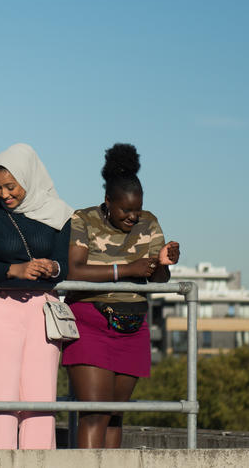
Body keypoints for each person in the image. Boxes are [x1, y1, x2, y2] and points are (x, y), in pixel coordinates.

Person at [63, 143, 180, 448]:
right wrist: (128, 269)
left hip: (133, 326)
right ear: (107, 202)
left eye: (137, 210)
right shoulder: (84, 219)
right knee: (95, 414)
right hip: (90, 323)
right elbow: (74, 271)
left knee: (116, 415)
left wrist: (163, 264)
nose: (132, 217)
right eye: (125, 210)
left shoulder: (149, 222)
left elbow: (157, 278)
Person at [0, 143, 73, 450]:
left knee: (40, 402)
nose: (4, 194)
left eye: (11, 186)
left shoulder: (62, 214)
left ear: (29, 180)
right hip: (0, 306)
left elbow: (67, 266)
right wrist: (17, 270)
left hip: (45, 312)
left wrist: (51, 267)